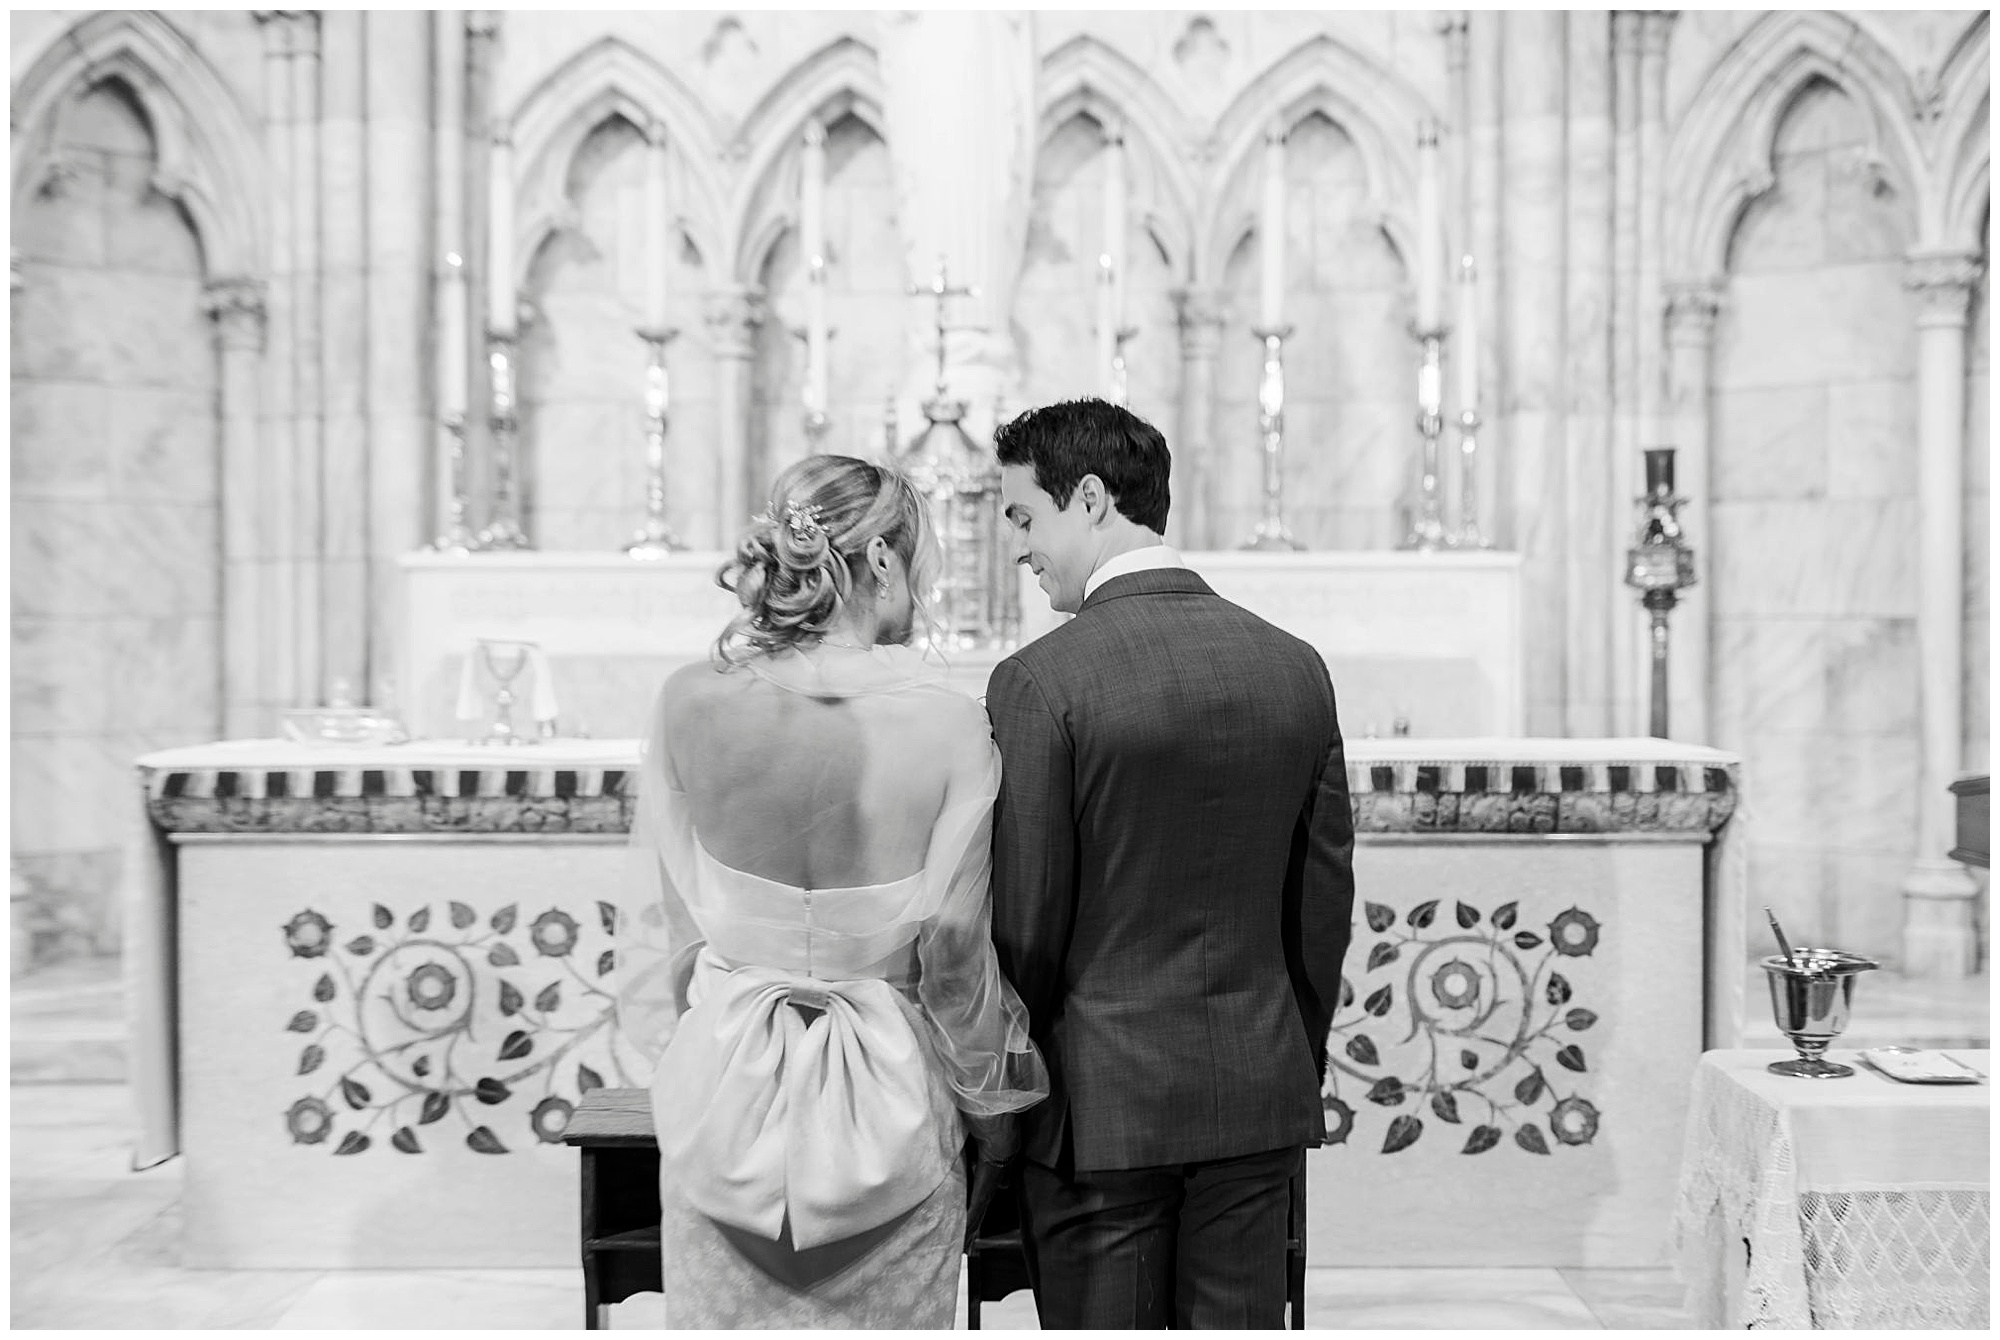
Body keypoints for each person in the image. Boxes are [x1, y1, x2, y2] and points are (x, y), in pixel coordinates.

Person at [617, 454, 1046, 1327]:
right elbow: (956, 950)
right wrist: (995, 1101)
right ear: (883, 563)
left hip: (724, 1092)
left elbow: (673, 927)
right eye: (920, 564)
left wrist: (691, 1059)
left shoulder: (685, 701)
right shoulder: (950, 721)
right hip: (890, 1102)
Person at [984, 398, 1356, 1329]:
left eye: (1025, 517)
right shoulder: (1294, 666)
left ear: (1093, 498)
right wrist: (1283, 1052)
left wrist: (1003, 1094)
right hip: (1255, 1094)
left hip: (1098, 1107)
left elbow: (1025, 928)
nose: (1019, 550)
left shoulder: (1041, 681)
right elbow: (1321, 907)